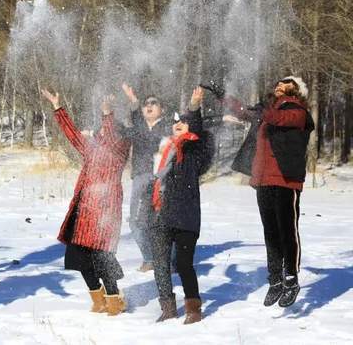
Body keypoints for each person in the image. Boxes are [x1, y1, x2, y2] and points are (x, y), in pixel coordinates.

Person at [226, 76, 314, 308]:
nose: (279, 83)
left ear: (296, 90)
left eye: (286, 82)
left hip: (286, 181)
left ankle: (291, 279)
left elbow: (277, 118)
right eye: (278, 82)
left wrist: (264, 108)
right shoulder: (269, 110)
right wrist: (223, 95)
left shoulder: (298, 111)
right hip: (263, 180)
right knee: (270, 233)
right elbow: (245, 112)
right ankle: (275, 279)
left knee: (287, 232)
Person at [41, 89, 130, 316]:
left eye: (103, 130)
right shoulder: (92, 151)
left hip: (105, 211)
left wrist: (107, 113)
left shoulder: (120, 147)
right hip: (84, 211)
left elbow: (110, 134)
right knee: (79, 257)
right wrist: (57, 106)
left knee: (102, 256)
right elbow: (72, 135)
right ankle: (98, 298)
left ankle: (114, 301)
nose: (99, 133)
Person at [149, 87, 214, 325]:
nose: (178, 124)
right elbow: (156, 183)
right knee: (160, 264)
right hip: (163, 215)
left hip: (186, 217)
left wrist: (194, 106)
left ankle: (193, 308)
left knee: (184, 264)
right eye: (176, 121)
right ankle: (167, 307)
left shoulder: (195, 149)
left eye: (183, 122)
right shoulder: (166, 151)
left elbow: (195, 128)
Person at [120, 83, 171, 272]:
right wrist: (133, 100)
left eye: (154, 103)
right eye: (146, 104)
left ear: (162, 109)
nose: (149, 106)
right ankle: (149, 258)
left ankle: (168, 261)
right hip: (141, 178)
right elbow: (132, 121)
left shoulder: (169, 127)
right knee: (135, 220)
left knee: (162, 221)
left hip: (162, 179)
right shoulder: (139, 127)